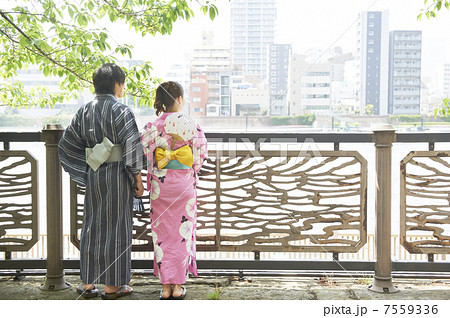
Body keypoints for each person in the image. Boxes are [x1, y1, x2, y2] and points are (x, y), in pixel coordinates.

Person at [58, 63, 145, 300]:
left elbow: (66, 144)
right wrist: (138, 178)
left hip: (94, 175)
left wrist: (84, 168)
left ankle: (86, 283)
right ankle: (113, 286)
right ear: (117, 84)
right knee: (117, 226)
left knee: (92, 225)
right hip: (118, 175)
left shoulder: (84, 110)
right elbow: (132, 148)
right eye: (123, 83)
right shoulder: (122, 110)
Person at [141, 81, 207, 300]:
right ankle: (177, 286)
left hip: (161, 187)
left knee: (163, 235)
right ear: (179, 99)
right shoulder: (191, 123)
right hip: (183, 185)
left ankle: (165, 286)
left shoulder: (152, 125)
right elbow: (200, 154)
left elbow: (147, 155)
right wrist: (188, 170)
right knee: (182, 233)